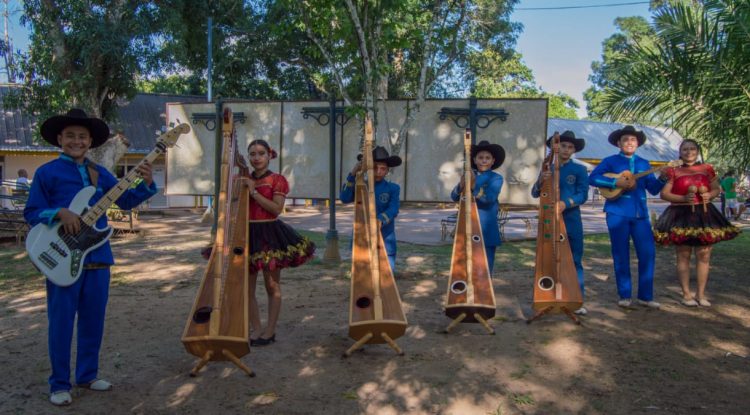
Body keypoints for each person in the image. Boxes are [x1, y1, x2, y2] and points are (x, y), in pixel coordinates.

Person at [23, 108, 159, 406]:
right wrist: (59, 212)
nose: (76, 141)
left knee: (93, 321)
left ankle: (87, 374)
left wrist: (146, 183)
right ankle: (59, 383)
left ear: (90, 141)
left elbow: (125, 200)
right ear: (60, 138)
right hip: (60, 256)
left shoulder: (101, 173)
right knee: (61, 322)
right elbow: (31, 212)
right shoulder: (46, 173)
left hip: (97, 254)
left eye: (82, 137)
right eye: (70, 136)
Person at [244, 139, 315, 346]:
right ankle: (256, 328)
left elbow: (276, 209)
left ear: (269, 156)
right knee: (247, 289)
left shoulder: (277, 180)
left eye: (261, 153)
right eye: (252, 154)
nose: (256, 158)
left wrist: (253, 191)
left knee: (272, 285)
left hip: (269, 234)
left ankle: (270, 330)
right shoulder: (242, 179)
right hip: (246, 234)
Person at [588, 125, 667, 309]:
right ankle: (624, 295)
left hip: (640, 214)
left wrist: (663, 178)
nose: (629, 143)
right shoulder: (610, 161)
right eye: (625, 140)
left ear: (637, 143)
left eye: (633, 140)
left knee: (648, 254)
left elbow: (653, 189)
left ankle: (645, 297)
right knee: (620, 254)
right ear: (618, 143)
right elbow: (593, 178)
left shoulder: (644, 164)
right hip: (617, 213)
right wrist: (614, 181)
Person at [653, 139, 740, 307]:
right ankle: (686, 294)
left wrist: (711, 195)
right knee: (683, 254)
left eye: (692, 148)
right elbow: (664, 194)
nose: (689, 152)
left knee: (704, 254)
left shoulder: (707, 168)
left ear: (697, 151)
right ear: (680, 152)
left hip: (704, 214)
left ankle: (701, 294)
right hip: (680, 214)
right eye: (685, 149)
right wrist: (683, 198)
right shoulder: (674, 171)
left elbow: (716, 189)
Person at [531, 131, 589, 315]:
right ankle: (549, 295)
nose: (566, 149)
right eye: (563, 145)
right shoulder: (547, 166)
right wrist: (542, 179)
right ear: (555, 147)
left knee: (575, 259)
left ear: (574, 150)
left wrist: (566, 203)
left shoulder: (579, 170)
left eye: (570, 147)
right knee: (548, 256)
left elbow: (583, 194)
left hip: (571, 219)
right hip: (549, 220)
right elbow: (534, 192)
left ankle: (576, 298)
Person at [340, 146, 401, 272]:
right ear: (369, 169)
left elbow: (394, 209)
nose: (378, 171)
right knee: (362, 273)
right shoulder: (360, 186)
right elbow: (344, 198)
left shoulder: (393, 188)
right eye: (375, 168)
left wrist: (379, 220)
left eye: (382, 169)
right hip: (362, 235)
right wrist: (352, 174)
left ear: (387, 170)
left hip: (385, 234)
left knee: (387, 275)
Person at [450, 140, 505, 274]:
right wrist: (461, 185)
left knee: (484, 268)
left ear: (493, 161)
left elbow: (489, 199)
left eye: (487, 158)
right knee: (464, 267)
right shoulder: (469, 175)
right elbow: (454, 196)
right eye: (480, 157)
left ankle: (485, 294)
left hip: (486, 228)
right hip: (466, 226)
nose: (484, 161)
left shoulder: (496, 178)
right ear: (474, 160)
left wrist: (473, 186)